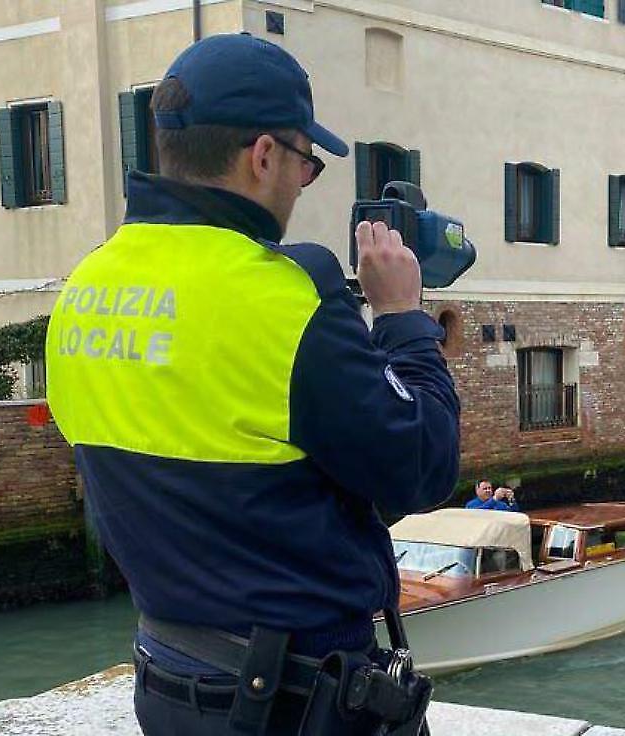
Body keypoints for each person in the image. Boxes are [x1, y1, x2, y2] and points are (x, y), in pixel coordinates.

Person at [45, 33, 459, 736]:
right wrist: (400, 317)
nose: (303, 182)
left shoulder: (82, 291)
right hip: (295, 707)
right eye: (306, 161)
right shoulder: (287, 301)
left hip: (170, 682)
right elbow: (424, 466)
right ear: (264, 155)